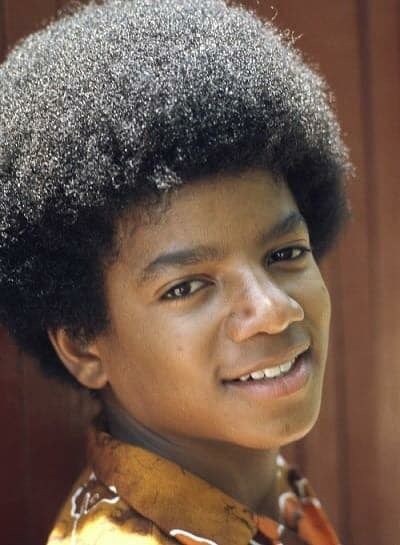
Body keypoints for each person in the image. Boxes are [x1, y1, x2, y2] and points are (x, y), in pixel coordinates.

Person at [0, 0, 350, 543]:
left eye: (285, 254)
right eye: (186, 287)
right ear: (84, 345)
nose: (275, 309)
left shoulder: (262, 493)